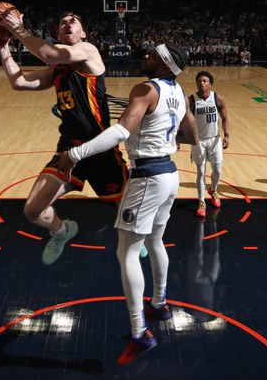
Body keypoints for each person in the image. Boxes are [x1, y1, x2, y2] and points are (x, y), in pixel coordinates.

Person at [57, 43, 198, 366]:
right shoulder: (177, 89)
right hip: (170, 174)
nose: (143, 56)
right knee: (155, 240)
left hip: (148, 176)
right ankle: (159, 303)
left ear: (163, 63)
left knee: (127, 251)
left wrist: (74, 154)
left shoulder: (146, 88)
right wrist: (168, 132)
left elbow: (120, 131)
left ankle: (139, 332)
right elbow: (191, 133)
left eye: (150, 54)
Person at [0, 11, 128, 265]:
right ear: (57, 34)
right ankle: (61, 231)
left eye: (74, 21)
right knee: (33, 210)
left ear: (83, 33)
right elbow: (19, 82)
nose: (68, 24)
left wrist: (19, 30)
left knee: (127, 211)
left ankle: (135, 237)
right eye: (63, 22)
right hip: (68, 149)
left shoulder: (88, 50)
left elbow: (48, 53)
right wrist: (3, 47)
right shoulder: (56, 71)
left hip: (100, 148)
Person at [189, 71, 230, 218]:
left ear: (210, 84)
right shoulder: (191, 100)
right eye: (199, 81)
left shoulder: (217, 98)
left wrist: (226, 135)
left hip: (215, 139)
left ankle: (213, 190)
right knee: (200, 171)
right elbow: (185, 122)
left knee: (217, 170)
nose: (202, 83)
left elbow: (225, 118)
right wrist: (182, 139)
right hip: (198, 141)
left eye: (205, 81)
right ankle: (201, 202)